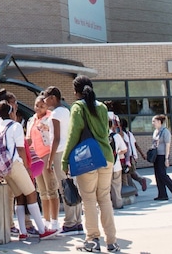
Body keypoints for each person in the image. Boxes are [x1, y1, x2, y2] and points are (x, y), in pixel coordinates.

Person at [62, 76, 117, 253]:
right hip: (106, 156)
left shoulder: (77, 107)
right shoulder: (102, 107)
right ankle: (112, 242)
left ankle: (92, 240)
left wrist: (65, 160)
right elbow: (105, 132)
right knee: (105, 199)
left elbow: (73, 134)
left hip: (88, 158)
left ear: (75, 91)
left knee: (89, 200)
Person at [0, 101, 55, 240]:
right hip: (16, 164)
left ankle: (22, 232)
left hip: (4, 167)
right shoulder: (15, 126)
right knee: (31, 194)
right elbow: (20, 149)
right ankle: (42, 230)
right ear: (11, 112)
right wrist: (27, 168)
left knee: (19, 197)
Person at [44, 86, 82, 235]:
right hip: (70, 151)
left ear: (53, 97)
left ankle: (69, 223)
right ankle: (77, 221)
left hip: (60, 152)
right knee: (73, 185)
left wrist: (50, 160)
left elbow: (56, 138)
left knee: (65, 187)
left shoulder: (55, 114)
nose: (45, 101)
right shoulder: (66, 111)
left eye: (46, 98)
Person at [27, 93, 59, 232]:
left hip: (47, 153)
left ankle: (55, 221)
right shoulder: (31, 120)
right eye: (37, 105)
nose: (39, 108)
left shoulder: (50, 117)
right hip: (36, 156)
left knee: (51, 188)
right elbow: (29, 138)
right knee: (42, 191)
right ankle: (46, 220)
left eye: (42, 106)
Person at [150, 115, 172, 201]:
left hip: (162, 155)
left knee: (162, 174)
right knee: (158, 175)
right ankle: (162, 194)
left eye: (154, 121)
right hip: (156, 156)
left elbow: (167, 145)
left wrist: (166, 158)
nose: (153, 123)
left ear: (159, 122)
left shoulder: (165, 132)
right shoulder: (155, 132)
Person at [119, 118, 148, 192]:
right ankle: (134, 189)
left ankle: (139, 182)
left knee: (128, 173)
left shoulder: (121, 134)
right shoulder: (129, 133)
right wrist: (142, 154)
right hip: (131, 156)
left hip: (126, 157)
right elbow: (136, 145)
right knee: (129, 173)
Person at [108, 115, 127, 210]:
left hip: (104, 167)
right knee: (116, 185)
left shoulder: (99, 136)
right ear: (112, 126)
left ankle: (107, 206)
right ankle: (118, 204)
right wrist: (117, 153)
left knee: (104, 188)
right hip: (116, 165)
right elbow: (124, 149)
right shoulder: (116, 136)